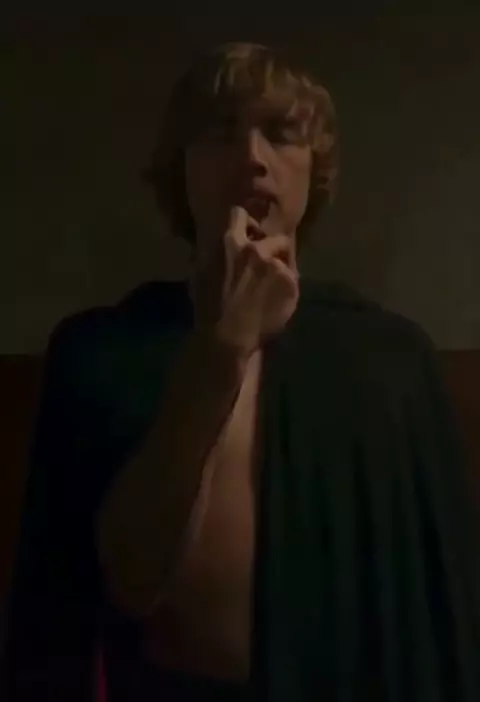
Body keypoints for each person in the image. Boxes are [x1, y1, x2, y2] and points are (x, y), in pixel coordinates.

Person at [5, 42, 480, 701]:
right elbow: (119, 582)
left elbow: (439, 620)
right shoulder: (101, 354)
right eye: (221, 133)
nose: (252, 158)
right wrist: (222, 346)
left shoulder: (391, 362)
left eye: (280, 134)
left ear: (313, 167)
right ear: (182, 166)